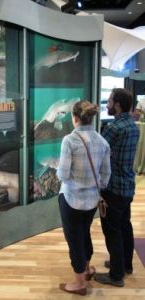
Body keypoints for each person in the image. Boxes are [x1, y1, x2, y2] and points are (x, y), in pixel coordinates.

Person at [57, 101, 111, 295]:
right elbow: (105, 177)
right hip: (91, 202)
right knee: (84, 233)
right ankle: (87, 270)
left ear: (75, 118)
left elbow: (62, 175)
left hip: (71, 200)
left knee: (74, 240)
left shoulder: (69, 140)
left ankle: (79, 283)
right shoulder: (102, 141)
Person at [94, 88, 140, 287]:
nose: (107, 105)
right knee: (124, 226)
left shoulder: (114, 128)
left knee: (112, 230)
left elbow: (98, 153)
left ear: (118, 105)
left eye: (110, 101)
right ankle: (124, 264)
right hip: (128, 186)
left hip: (113, 188)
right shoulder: (133, 126)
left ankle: (116, 275)